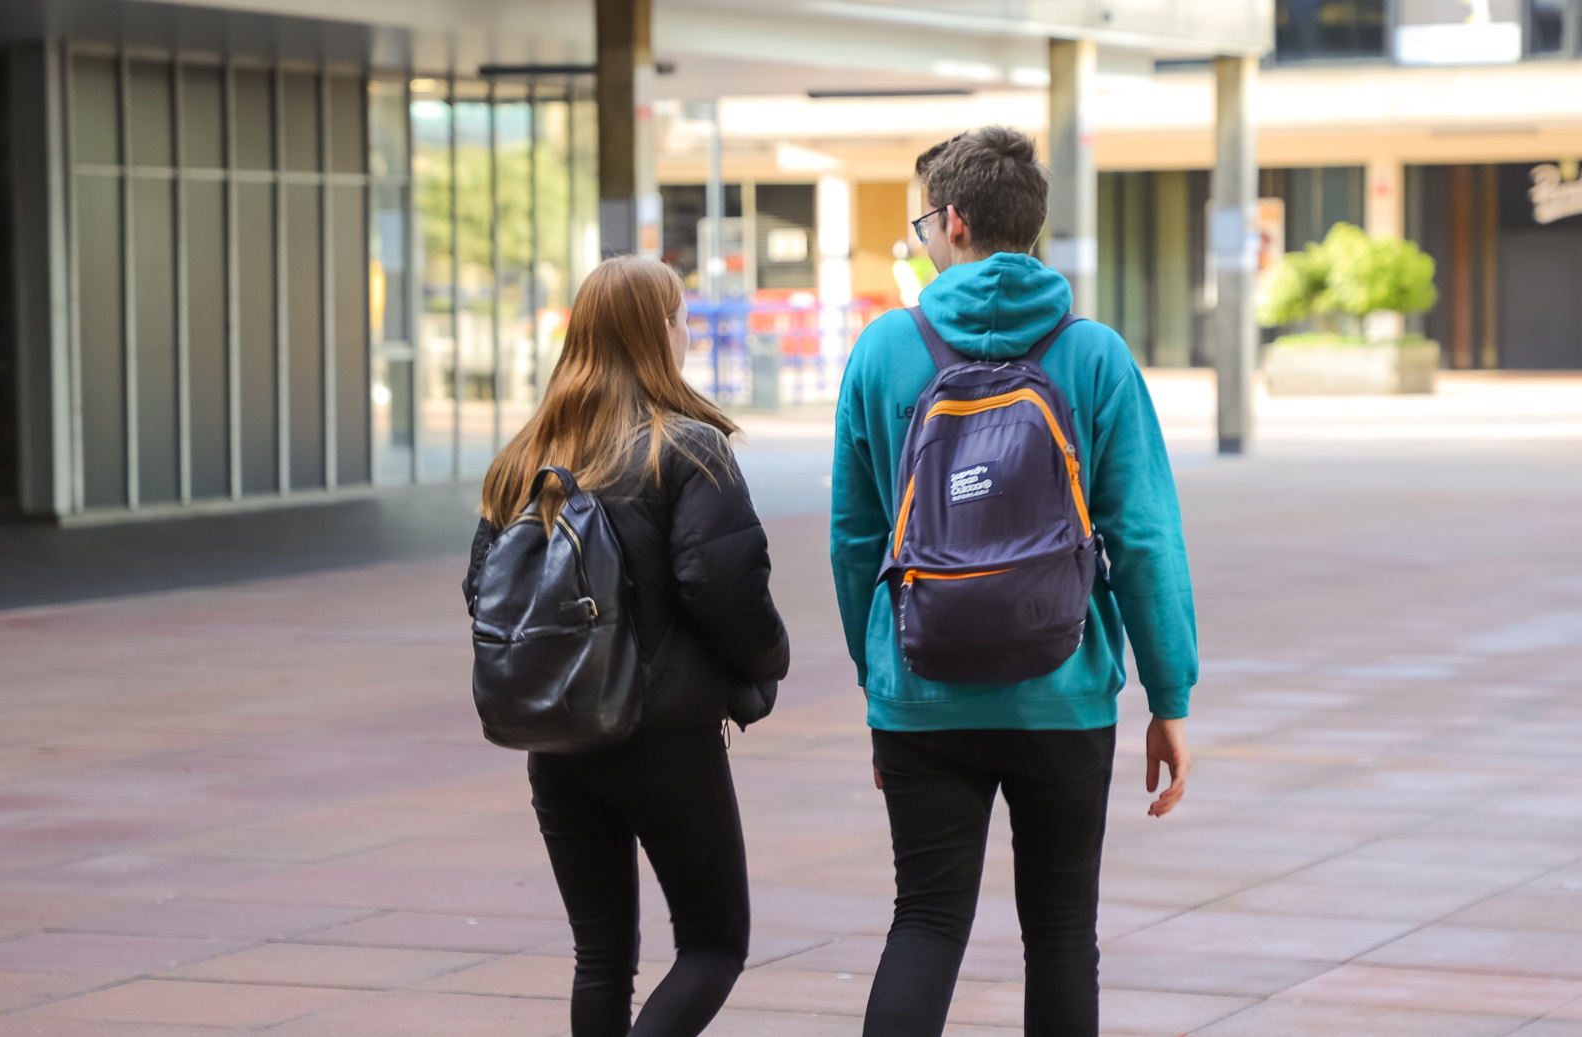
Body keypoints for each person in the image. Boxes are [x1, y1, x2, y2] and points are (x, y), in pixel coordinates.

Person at [829, 126, 1198, 1037]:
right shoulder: (1094, 354)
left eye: (923, 223)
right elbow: (1143, 537)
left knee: (924, 920)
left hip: (921, 688)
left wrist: (878, 680)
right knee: (1064, 934)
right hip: (1062, 691)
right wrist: (1168, 692)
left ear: (952, 222)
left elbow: (852, 540)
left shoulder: (884, 351)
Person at [464, 255, 790, 1037]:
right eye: (678, 318)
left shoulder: (523, 455)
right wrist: (765, 663)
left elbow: (482, 592)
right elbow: (725, 585)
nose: (685, 332)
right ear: (656, 334)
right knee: (713, 943)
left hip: (557, 732)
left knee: (601, 955)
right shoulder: (686, 447)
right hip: (662, 735)